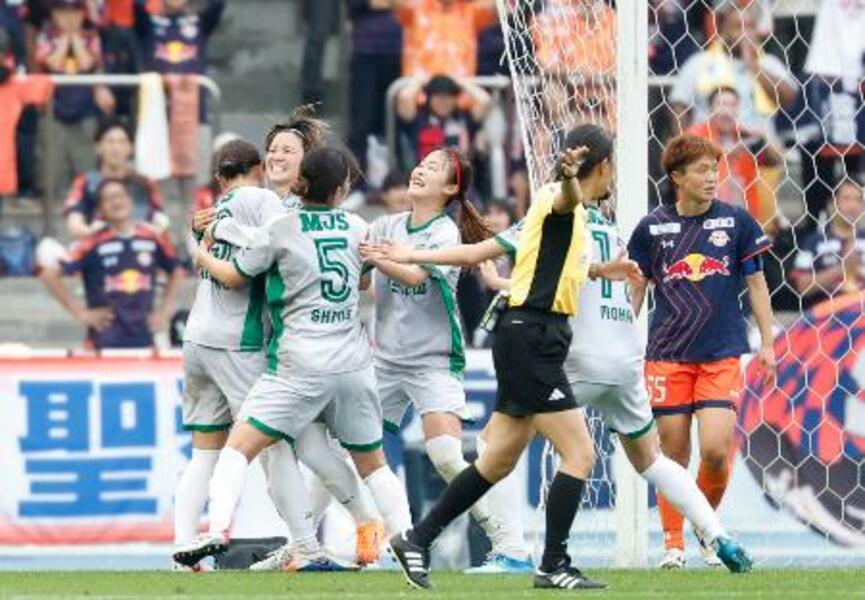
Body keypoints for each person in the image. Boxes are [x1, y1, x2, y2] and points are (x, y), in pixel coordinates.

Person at [371, 128, 753, 577]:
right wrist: (583, 234)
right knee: (626, 458)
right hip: (609, 356)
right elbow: (563, 247)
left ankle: (487, 548)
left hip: (555, 346)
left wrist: (417, 258)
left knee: (506, 452)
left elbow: (489, 251)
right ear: (604, 167)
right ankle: (710, 536)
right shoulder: (594, 220)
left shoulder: (559, 207)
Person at [375, 124, 624, 591]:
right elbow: (566, 198)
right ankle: (554, 564)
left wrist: (411, 255)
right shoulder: (560, 199)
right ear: (606, 166)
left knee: (496, 461)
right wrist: (570, 180)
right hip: (534, 337)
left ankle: (417, 538)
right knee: (579, 453)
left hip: (527, 333)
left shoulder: (547, 210)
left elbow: (477, 251)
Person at [173, 147, 412, 569]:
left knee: (239, 448)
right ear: (341, 189)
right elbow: (362, 281)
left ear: (300, 179)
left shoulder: (280, 226)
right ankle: (409, 542)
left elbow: (235, 273)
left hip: (297, 365)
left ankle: (222, 530)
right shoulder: (358, 225)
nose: (278, 156)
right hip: (353, 363)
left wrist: (201, 249)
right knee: (369, 463)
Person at [361, 148, 532, 572]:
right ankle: (314, 544)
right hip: (385, 359)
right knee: (351, 445)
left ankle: (507, 542)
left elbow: (415, 276)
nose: (420, 170)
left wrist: (380, 258)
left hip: (432, 360)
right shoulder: (385, 225)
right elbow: (364, 284)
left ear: (451, 187)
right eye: (422, 164)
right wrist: (363, 263)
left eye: (434, 168)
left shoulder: (444, 233)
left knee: (446, 456)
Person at [627, 134, 776, 569]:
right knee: (671, 456)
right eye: (702, 170)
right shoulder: (652, 227)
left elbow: (757, 285)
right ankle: (673, 546)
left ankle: (707, 530)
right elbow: (636, 289)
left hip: (722, 351)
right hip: (666, 354)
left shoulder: (736, 222)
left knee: (714, 450)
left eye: (714, 169)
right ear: (677, 177)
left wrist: (767, 343)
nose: (712, 178)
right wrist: (623, 341)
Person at [38, 178, 182, 349]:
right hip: (103, 342)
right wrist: (80, 313)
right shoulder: (91, 243)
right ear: (100, 210)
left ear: (130, 200)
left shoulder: (152, 238)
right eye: (109, 198)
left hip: (144, 340)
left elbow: (177, 271)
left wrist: (164, 313)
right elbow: (48, 274)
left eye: (121, 195)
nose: (117, 202)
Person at [669, 0, 797, 135]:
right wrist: (685, 144)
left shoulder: (769, 63)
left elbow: (789, 99)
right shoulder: (699, 62)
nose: (745, 34)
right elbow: (679, 105)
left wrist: (754, 66)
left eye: (750, 27)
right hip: (710, 142)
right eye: (738, 27)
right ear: (723, 30)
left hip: (758, 143)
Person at [35, 0, 115, 197]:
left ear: (82, 14)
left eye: (74, 13)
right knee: (52, 169)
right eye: (62, 13)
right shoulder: (46, 36)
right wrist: (65, 39)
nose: (69, 18)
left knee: (86, 166)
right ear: (53, 15)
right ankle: (52, 210)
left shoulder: (91, 36)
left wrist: (75, 39)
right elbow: (53, 64)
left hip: (84, 110)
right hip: (54, 110)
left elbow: (87, 62)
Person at [686, 86, 782, 228]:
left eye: (733, 105)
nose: (727, 111)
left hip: (743, 217)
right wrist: (728, 156)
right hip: (705, 219)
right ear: (710, 110)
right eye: (721, 104)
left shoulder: (746, 136)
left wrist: (763, 139)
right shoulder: (695, 135)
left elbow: (775, 161)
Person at [63, 118, 166, 240]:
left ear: (130, 148)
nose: (116, 148)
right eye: (110, 142)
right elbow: (74, 221)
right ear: (98, 147)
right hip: (99, 244)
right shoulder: (86, 183)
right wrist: (94, 234)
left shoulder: (146, 183)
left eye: (122, 142)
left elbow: (160, 220)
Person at [346, 0, 402, 178]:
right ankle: (356, 181)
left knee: (395, 123)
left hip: (401, 51)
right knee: (362, 121)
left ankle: (392, 180)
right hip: (367, 52)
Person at [790, 179, 865, 308]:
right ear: (833, 203)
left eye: (858, 200)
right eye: (846, 199)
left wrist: (858, 270)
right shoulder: (814, 241)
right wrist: (842, 269)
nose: (853, 206)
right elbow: (802, 286)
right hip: (827, 313)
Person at [396, 74, 492, 168]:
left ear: (455, 99)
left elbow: (484, 100)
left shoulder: (464, 119)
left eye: (448, 96)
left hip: (459, 175)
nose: (443, 101)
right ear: (429, 98)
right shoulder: (419, 119)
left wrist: (461, 82)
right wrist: (421, 81)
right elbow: (404, 97)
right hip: (426, 175)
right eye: (438, 96)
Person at [391, 0, 496, 78]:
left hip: (460, 92)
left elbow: (492, 6)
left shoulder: (471, 12)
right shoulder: (414, 9)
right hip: (420, 93)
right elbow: (397, 3)